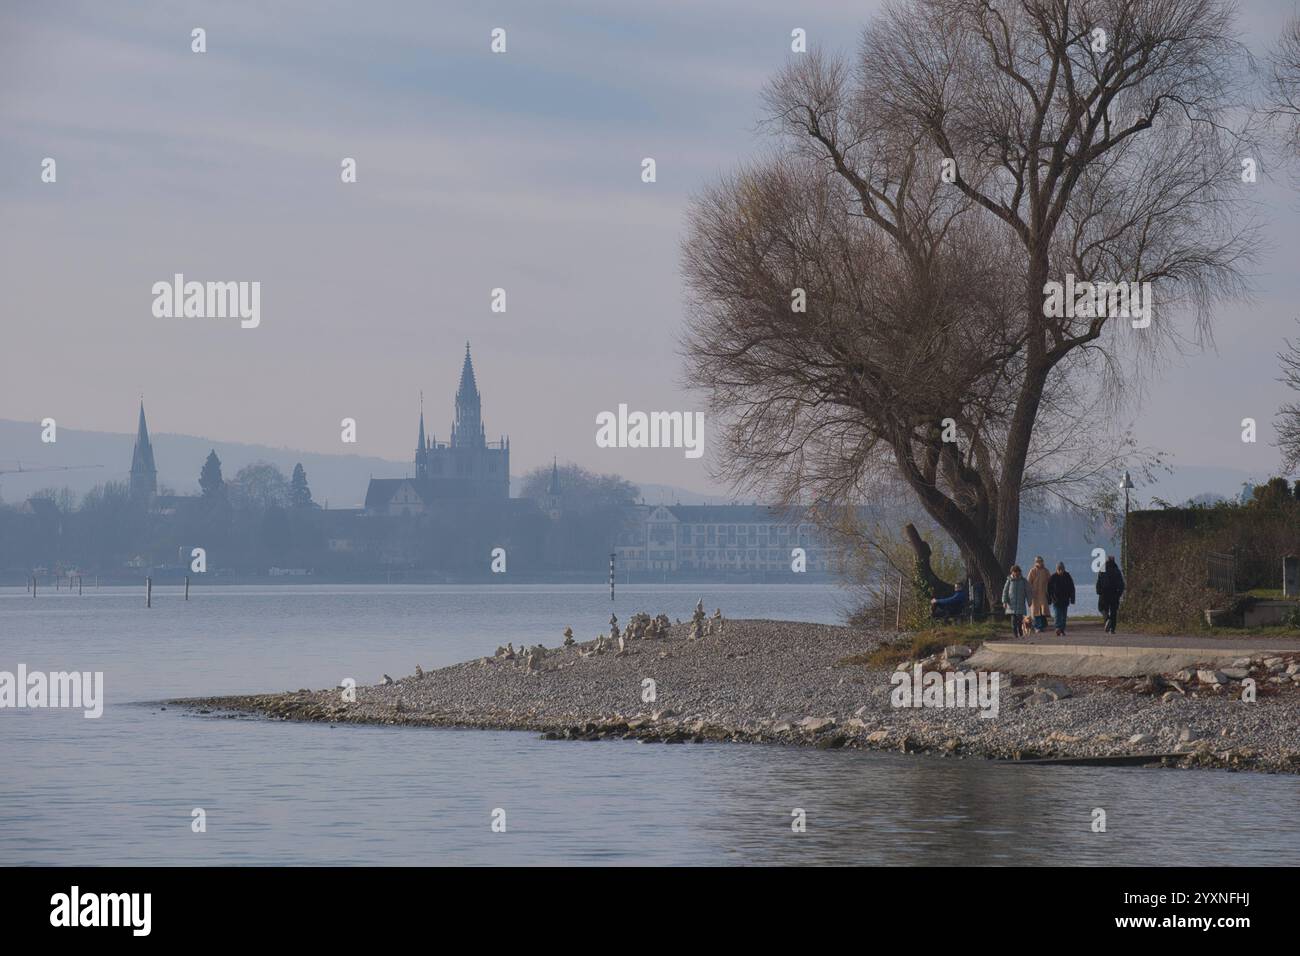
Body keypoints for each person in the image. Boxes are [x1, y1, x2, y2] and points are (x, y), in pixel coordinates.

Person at [1097, 557, 1126, 634]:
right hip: (1114, 593)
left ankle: (1107, 619)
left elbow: (1099, 582)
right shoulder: (1117, 571)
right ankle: (1112, 629)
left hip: (1104, 594)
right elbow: (1121, 584)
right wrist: (1119, 593)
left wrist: (1099, 591)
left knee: (1102, 608)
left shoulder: (1102, 570)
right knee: (1114, 611)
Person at [1047, 562, 1076, 636]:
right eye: (1059, 569)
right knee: (1057, 615)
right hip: (1056, 600)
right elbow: (1049, 589)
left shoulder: (1067, 576)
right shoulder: (1053, 577)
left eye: (1062, 569)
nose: (1060, 571)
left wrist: (1072, 598)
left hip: (1065, 600)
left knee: (1063, 616)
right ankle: (1057, 628)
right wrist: (1049, 599)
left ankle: (1062, 629)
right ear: (1057, 569)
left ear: (1064, 569)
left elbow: (1072, 588)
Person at [1001, 565, 1027, 637]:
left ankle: (1020, 631)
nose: (1015, 573)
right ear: (1012, 572)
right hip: (1011, 605)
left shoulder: (1023, 581)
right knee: (1013, 621)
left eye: (1017, 572)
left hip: (1020, 603)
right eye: (1014, 572)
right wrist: (1004, 601)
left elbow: (1027, 590)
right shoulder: (1009, 581)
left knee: (1019, 620)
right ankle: (1015, 634)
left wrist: (1029, 600)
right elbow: (1005, 591)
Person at [1027, 556, 1050, 633]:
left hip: (1043, 593)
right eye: (1038, 561)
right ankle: (1037, 626)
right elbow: (1029, 582)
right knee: (1036, 611)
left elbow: (1050, 581)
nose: (1040, 563)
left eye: (1041, 561)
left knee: (1043, 610)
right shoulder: (1032, 571)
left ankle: (1043, 625)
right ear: (1035, 562)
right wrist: (1031, 591)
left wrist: (1049, 591)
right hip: (1035, 594)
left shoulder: (1046, 571)